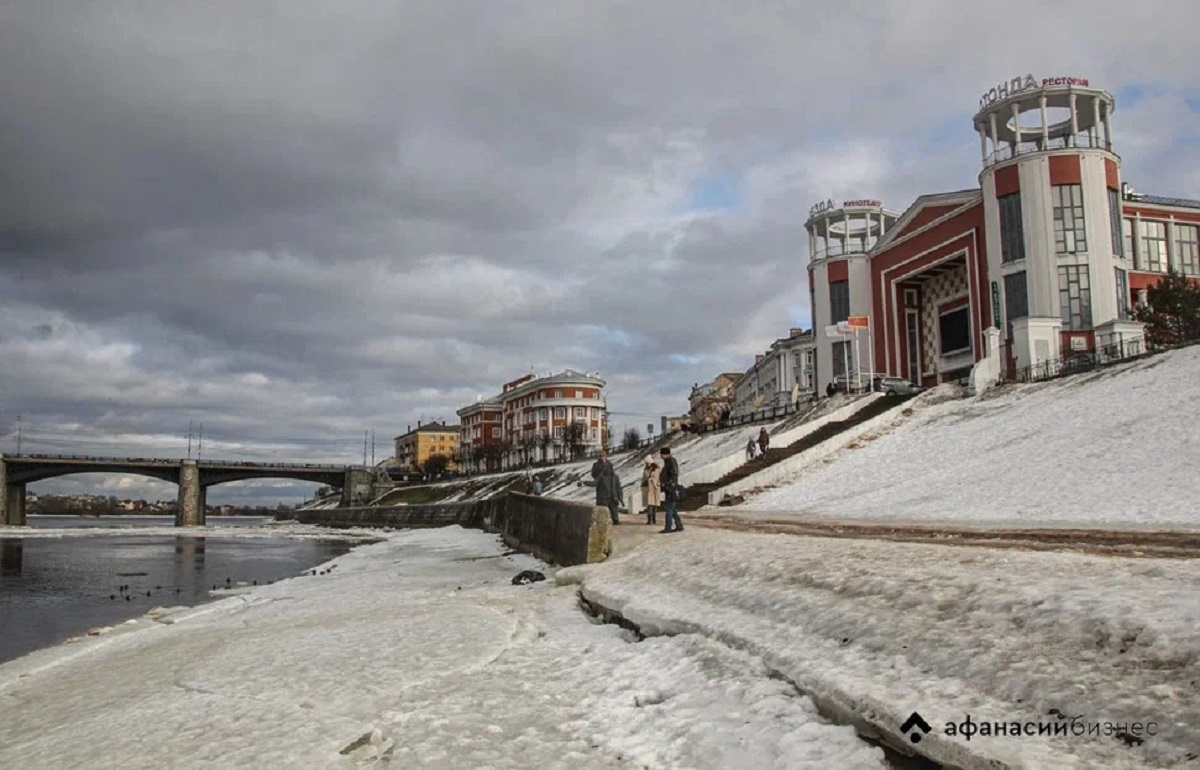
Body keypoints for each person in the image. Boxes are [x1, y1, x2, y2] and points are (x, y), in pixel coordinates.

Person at [591, 450, 621, 525]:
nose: (602, 457)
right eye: (600, 456)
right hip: (601, 487)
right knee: (602, 505)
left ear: (606, 456)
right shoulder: (596, 465)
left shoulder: (609, 464)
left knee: (613, 504)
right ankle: (602, 520)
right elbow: (593, 474)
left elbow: (612, 473)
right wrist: (601, 468)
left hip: (610, 486)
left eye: (603, 456)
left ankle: (615, 518)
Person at [658, 446, 682, 533]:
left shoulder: (671, 461)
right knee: (673, 509)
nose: (660, 456)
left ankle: (668, 528)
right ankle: (679, 525)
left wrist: (668, 484)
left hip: (671, 489)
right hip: (669, 488)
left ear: (665, 454)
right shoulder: (668, 461)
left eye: (661, 454)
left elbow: (674, 475)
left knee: (669, 509)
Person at [641, 455, 661, 526]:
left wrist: (651, 480)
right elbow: (644, 478)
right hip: (648, 489)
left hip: (654, 488)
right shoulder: (645, 469)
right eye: (646, 463)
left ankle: (653, 519)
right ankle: (649, 519)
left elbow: (657, 478)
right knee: (649, 505)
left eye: (647, 463)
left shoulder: (656, 469)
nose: (647, 464)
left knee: (653, 505)